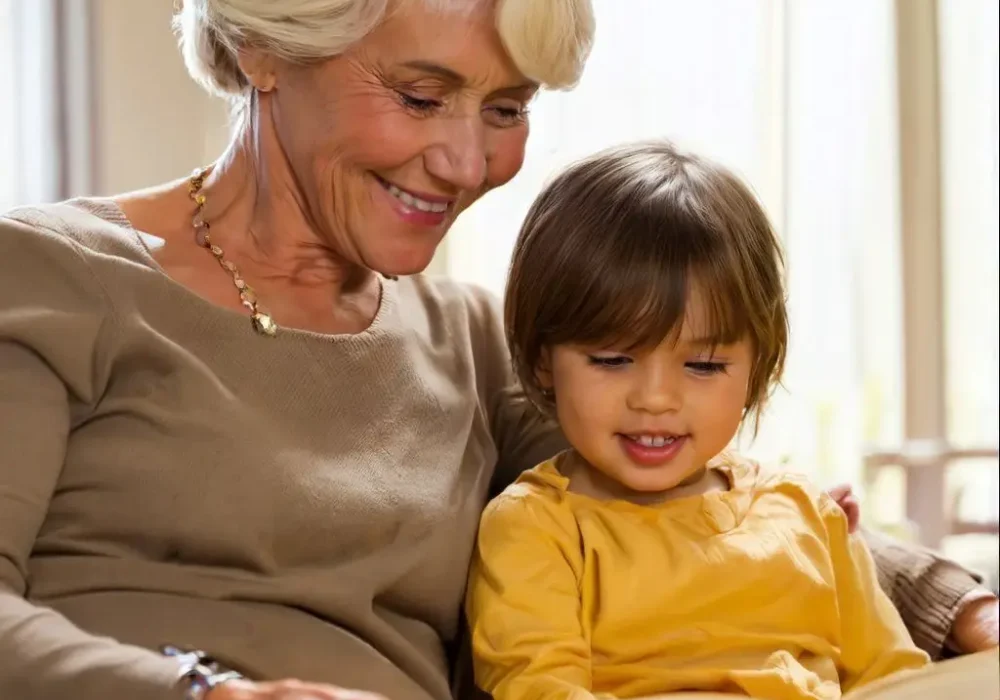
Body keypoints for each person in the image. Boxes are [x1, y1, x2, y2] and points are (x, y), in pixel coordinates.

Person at [0, 1, 995, 699]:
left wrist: (956, 610)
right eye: (421, 95)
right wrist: (201, 693)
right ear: (265, 50)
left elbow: (708, 495)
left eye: (506, 108)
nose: (468, 162)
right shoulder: (51, 276)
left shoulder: (469, 344)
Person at [465, 141, 997, 700]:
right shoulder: (535, 527)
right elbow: (539, 688)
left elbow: (896, 680)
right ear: (544, 360)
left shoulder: (806, 514)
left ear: (755, 365)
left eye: (703, 365)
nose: (656, 399)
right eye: (612, 359)